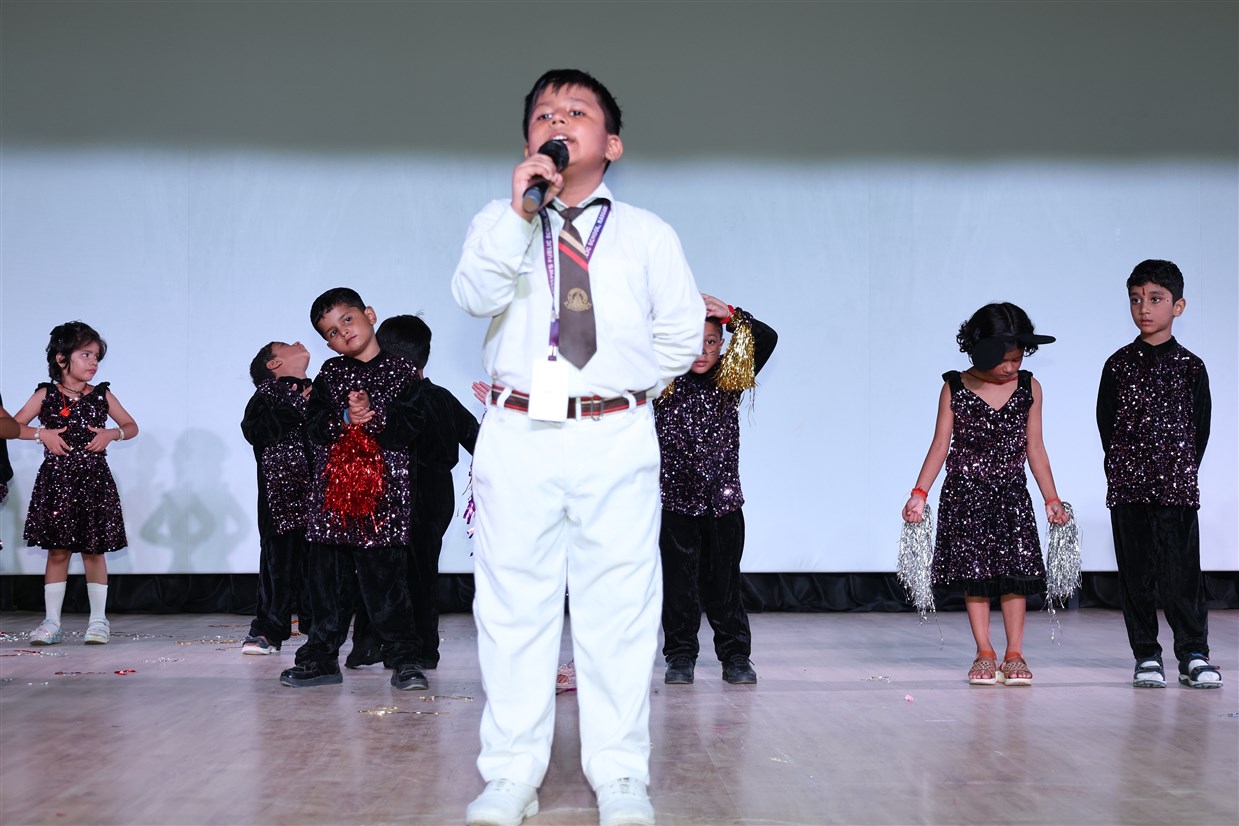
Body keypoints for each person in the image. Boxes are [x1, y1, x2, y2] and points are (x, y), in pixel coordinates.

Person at [451, 68, 702, 826]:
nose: (557, 120)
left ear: (611, 144)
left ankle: (620, 775)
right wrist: (519, 212)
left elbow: (679, 337)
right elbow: (474, 296)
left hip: (613, 434)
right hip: (518, 433)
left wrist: (615, 391)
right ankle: (509, 776)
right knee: (512, 610)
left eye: (576, 111)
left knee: (619, 611)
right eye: (543, 114)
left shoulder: (648, 233)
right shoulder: (500, 220)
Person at [902, 303, 1068, 686]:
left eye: (1017, 358)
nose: (1010, 367)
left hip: (1011, 495)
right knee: (974, 577)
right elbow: (940, 444)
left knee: (1015, 576)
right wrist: (919, 492)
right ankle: (984, 651)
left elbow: (1035, 448)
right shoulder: (955, 387)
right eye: (1003, 359)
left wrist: (1051, 498)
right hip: (965, 496)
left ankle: (1014, 652)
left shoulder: (1029, 388)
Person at [277, 287, 428, 692]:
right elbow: (314, 427)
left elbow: (409, 427)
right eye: (331, 331)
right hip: (332, 499)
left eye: (347, 319)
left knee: (386, 583)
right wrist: (345, 417)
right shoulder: (330, 373)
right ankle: (320, 658)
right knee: (326, 583)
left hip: (384, 499)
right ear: (327, 343)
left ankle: (404, 659)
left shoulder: (403, 372)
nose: (342, 332)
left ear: (370, 315)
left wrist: (372, 418)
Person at [1097, 259, 1219, 689]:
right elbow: (1107, 425)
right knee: (1136, 575)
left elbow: (1199, 428)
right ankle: (1146, 654)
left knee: (1182, 573)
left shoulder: (1191, 367)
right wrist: (1125, 469)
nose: (1144, 308)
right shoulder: (1118, 365)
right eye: (1135, 300)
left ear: (1177, 306)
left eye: (1155, 299)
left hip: (1177, 487)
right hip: (1128, 487)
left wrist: (1178, 470)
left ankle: (1193, 653)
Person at [657, 294, 778, 686]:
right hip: (676, 504)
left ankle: (736, 657)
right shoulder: (663, 382)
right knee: (679, 585)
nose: (702, 351)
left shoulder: (730, 378)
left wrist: (732, 315)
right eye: (693, 342)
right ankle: (680, 656)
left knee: (724, 583)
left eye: (710, 342)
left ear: (722, 344)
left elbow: (767, 338)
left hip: (723, 504)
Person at [11, 322, 138, 645]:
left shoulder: (101, 395)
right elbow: (10, 426)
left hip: (94, 481)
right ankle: (51, 622)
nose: (93, 362)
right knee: (58, 552)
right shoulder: (46, 394)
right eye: (86, 355)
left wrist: (112, 434)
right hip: (57, 482)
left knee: (94, 552)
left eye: (96, 356)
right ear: (61, 358)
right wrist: (41, 434)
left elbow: (130, 425)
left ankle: (98, 621)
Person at [375, 314, 478, 669]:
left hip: (404, 488)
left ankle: (407, 647)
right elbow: (477, 439)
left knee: (396, 571)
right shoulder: (442, 397)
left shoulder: (389, 400)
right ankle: (421, 647)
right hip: (438, 493)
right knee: (422, 568)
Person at [239, 341, 315, 656]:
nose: (298, 343)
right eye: (286, 344)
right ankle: (269, 630)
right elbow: (255, 431)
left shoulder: (320, 391)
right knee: (277, 566)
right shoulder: (266, 395)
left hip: (319, 496)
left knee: (320, 568)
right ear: (273, 364)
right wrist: (294, 406)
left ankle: (320, 632)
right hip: (279, 499)